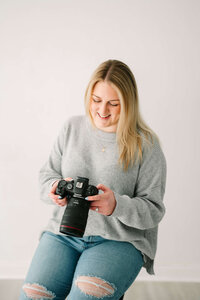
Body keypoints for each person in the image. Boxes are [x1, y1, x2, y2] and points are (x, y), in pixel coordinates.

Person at [20, 59, 167, 300]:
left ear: (128, 103)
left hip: (119, 240)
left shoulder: (146, 145)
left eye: (114, 104)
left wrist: (116, 205)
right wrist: (55, 188)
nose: (102, 111)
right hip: (63, 234)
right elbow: (46, 176)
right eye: (96, 100)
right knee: (34, 296)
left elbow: (154, 210)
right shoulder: (71, 128)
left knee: (85, 296)